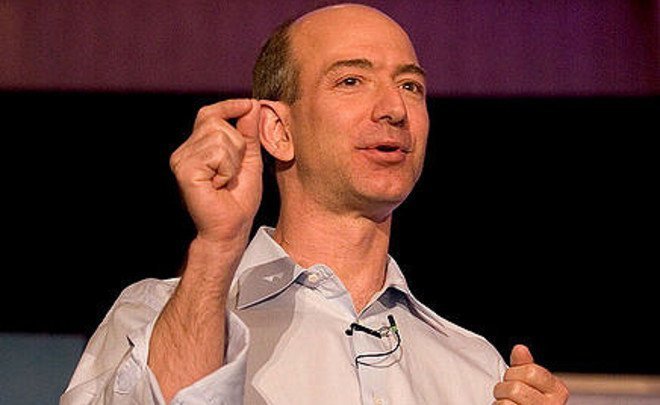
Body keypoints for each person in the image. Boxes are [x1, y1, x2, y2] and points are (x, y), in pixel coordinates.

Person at [62, 4, 569, 404]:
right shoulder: (154, 315)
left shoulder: (478, 369)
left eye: (410, 86)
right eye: (351, 81)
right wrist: (218, 247)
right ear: (278, 130)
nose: (394, 109)